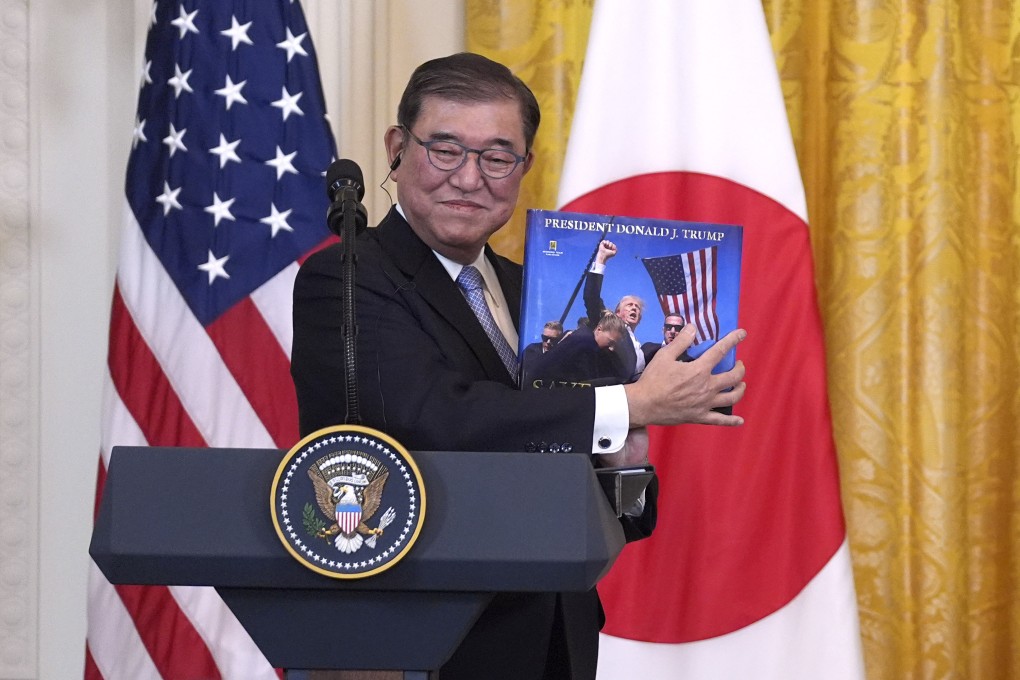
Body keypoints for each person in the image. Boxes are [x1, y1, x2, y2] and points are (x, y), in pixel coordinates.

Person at [291, 52, 746, 680]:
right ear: (397, 147)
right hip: (419, 647)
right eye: (445, 149)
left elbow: (619, 514)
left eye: (497, 157)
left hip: (554, 643)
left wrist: (627, 458)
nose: (470, 178)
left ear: (524, 167)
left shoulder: (526, 292)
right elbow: (430, 420)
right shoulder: (345, 278)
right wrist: (629, 404)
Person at [582, 240, 646, 380]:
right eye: (629, 305)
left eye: (637, 307)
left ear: (640, 318)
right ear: (617, 313)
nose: (634, 308)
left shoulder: (640, 345)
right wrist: (601, 258)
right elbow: (591, 297)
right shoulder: (609, 324)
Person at [527, 313, 629, 385]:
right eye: (610, 342)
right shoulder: (586, 343)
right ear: (599, 329)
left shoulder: (582, 337)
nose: (611, 348)